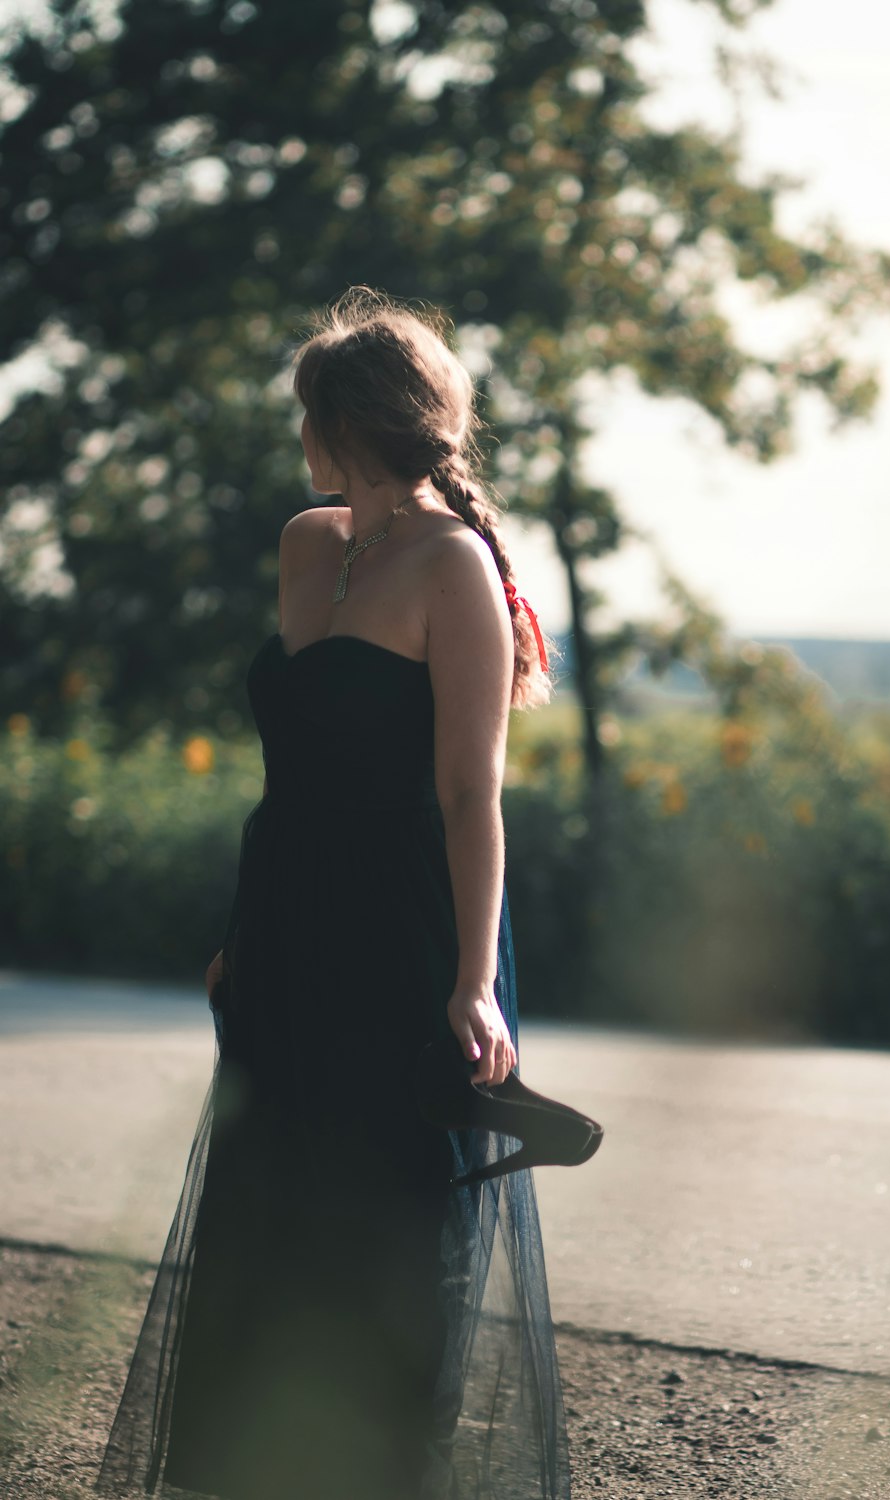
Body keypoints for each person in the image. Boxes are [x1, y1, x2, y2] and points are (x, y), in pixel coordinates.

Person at [96, 287, 572, 1500]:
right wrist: (242, 935)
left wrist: (473, 985)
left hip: (406, 935)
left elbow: (471, 796)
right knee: (274, 1201)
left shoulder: (455, 567)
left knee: (382, 1230)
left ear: (346, 421)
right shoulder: (306, 543)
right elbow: (296, 770)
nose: (300, 432)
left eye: (311, 409)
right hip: (291, 919)